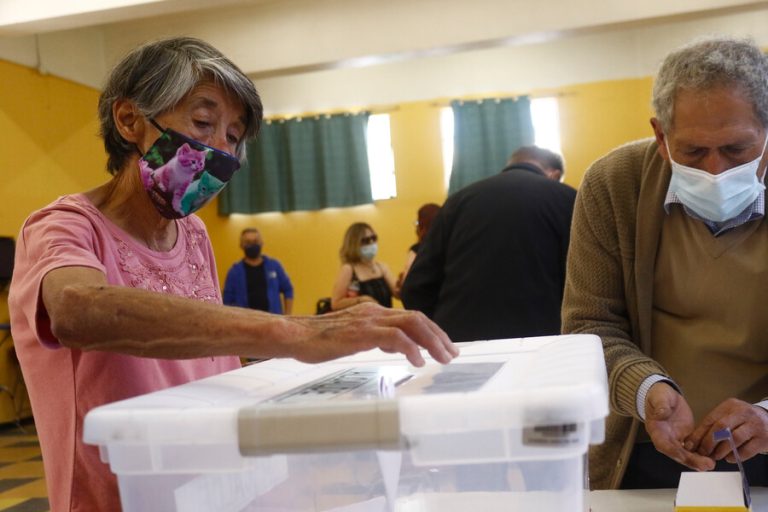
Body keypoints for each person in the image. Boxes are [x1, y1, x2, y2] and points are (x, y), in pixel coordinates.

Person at [7, 37, 458, 512]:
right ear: (129, 120)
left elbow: (208, 355)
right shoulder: (64, 227)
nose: (220, 148)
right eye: (203, 122)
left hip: (212, 489)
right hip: (123, 495)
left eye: (234, 136)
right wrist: (294, 331)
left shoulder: (194, 234)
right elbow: (77, 310)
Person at [562, 36, 768, 491]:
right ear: (660, 136)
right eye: (693, 152)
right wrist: (646, 389)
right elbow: (589, 326)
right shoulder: (615, 184)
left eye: (736, 150)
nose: (715, 172)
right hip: (645, 443)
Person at [401, 145, 576, 342]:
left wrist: (442, 331)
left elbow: (415, 287)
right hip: (542, 343)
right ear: (555, 174)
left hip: (460, 345)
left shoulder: (457, 201)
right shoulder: (568, 199)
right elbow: (583, 284)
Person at [223, 227, 294, 314]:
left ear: (261, 243)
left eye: (255, 241)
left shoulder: (274, 266)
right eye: (248, 242)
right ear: (241, 245)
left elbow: (288, 289)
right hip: (245, 323)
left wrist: (287, 316)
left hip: (273, 321)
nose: (252, 245)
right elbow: (227, 301)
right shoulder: (234, 272)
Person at [331, 222, 398, 310]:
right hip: (363, 322)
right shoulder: (349, 269)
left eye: (373, 238)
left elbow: (398, 294)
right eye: (365, 241)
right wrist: (361, 300)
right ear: (354, 243)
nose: (371, 243)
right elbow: (336, 304)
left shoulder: (382, 267)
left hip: (387, 320)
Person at [395, 203, 441, 293]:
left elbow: (407, 285)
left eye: (417, 223)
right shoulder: (450, 247)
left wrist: (402, 284)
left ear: (422, 226)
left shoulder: (417, 251)